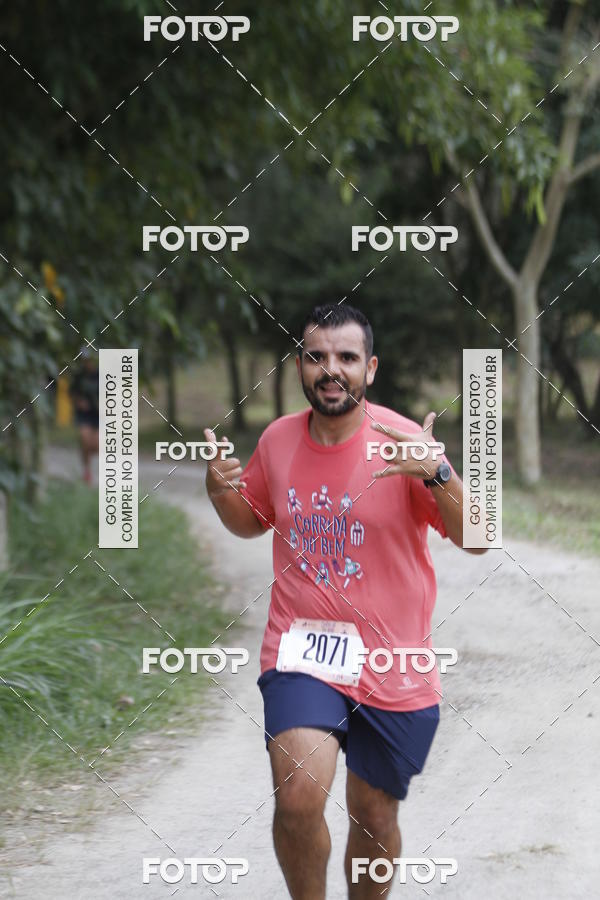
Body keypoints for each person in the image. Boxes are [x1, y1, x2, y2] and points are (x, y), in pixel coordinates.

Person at [205, 304, 487, 899]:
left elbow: (479, 539)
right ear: (300, 365)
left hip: (394, 664)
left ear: (370, 368)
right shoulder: (279, 439)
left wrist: (438, 475)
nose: (330, 370)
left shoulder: (401, 442)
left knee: (375, 818)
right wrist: (219, 492)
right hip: (302, 651)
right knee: (299, 798)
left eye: (346, 358)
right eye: (316, 357)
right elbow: (252, 520)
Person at [70, 348, 99, 484]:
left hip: (100, 414)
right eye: (86, 361)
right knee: (85, 438)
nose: (88, 364)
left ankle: (87, 453)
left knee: (96, 445)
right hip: (84, 415)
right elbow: (72, 394)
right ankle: (87, 470)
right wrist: (79, 402)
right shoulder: (79, 377)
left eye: (91, 361)